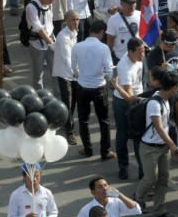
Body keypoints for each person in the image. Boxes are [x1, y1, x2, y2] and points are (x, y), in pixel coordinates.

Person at [135, 69, 178, 214]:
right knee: (150, 178)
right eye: (177, 87)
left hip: (163, 148)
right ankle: (138, 199)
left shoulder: (166, 100)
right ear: (173, 88)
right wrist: (173, 146)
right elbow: (159, 127)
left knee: (163, 178)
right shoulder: (154, 103)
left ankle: (158, 206)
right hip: (149, 148)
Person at [71, 20, 114, 160]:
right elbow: (109, 71)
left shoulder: (77, 46)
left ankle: (88, 149)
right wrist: (107, 79)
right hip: (99, 87)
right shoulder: (104, 48)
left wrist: (82, 75)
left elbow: (73, 68)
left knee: (83, 120)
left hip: (82, 87)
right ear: (101, 32)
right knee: (104, 121)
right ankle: (105, 151)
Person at [113, 38, 146, 180]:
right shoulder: (124, 67)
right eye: (139, 52)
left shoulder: (138, 60)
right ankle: (123, 166)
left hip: (138, 99)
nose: (142, 56)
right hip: (124, 103)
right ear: (130, 52)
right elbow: (128, 96)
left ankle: (142, 172)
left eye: (143, 52)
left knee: (139, 137)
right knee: (123, 135)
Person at [52, 10, 80, 145]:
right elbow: (66, 57)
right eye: (73, 20)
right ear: (66, 21)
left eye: (77, 19)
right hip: (64, 73)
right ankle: (69, 131)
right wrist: (76, 71)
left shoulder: (75, 33)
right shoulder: (63, 37)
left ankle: (65, 122)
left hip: (73, 73)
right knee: (67, 101)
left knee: (73, 101)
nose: (76, 22)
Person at [26, 0, 58, 91]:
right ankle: (39, 98)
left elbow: (50, 24)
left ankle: (59, 97)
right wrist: (51, 43)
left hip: (50, 41)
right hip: (37, 45)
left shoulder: (49, 4)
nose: (51, 2)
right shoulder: (31, 7)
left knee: (56, 72)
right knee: (38, 75)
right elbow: (38, 28)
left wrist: (53, 41)